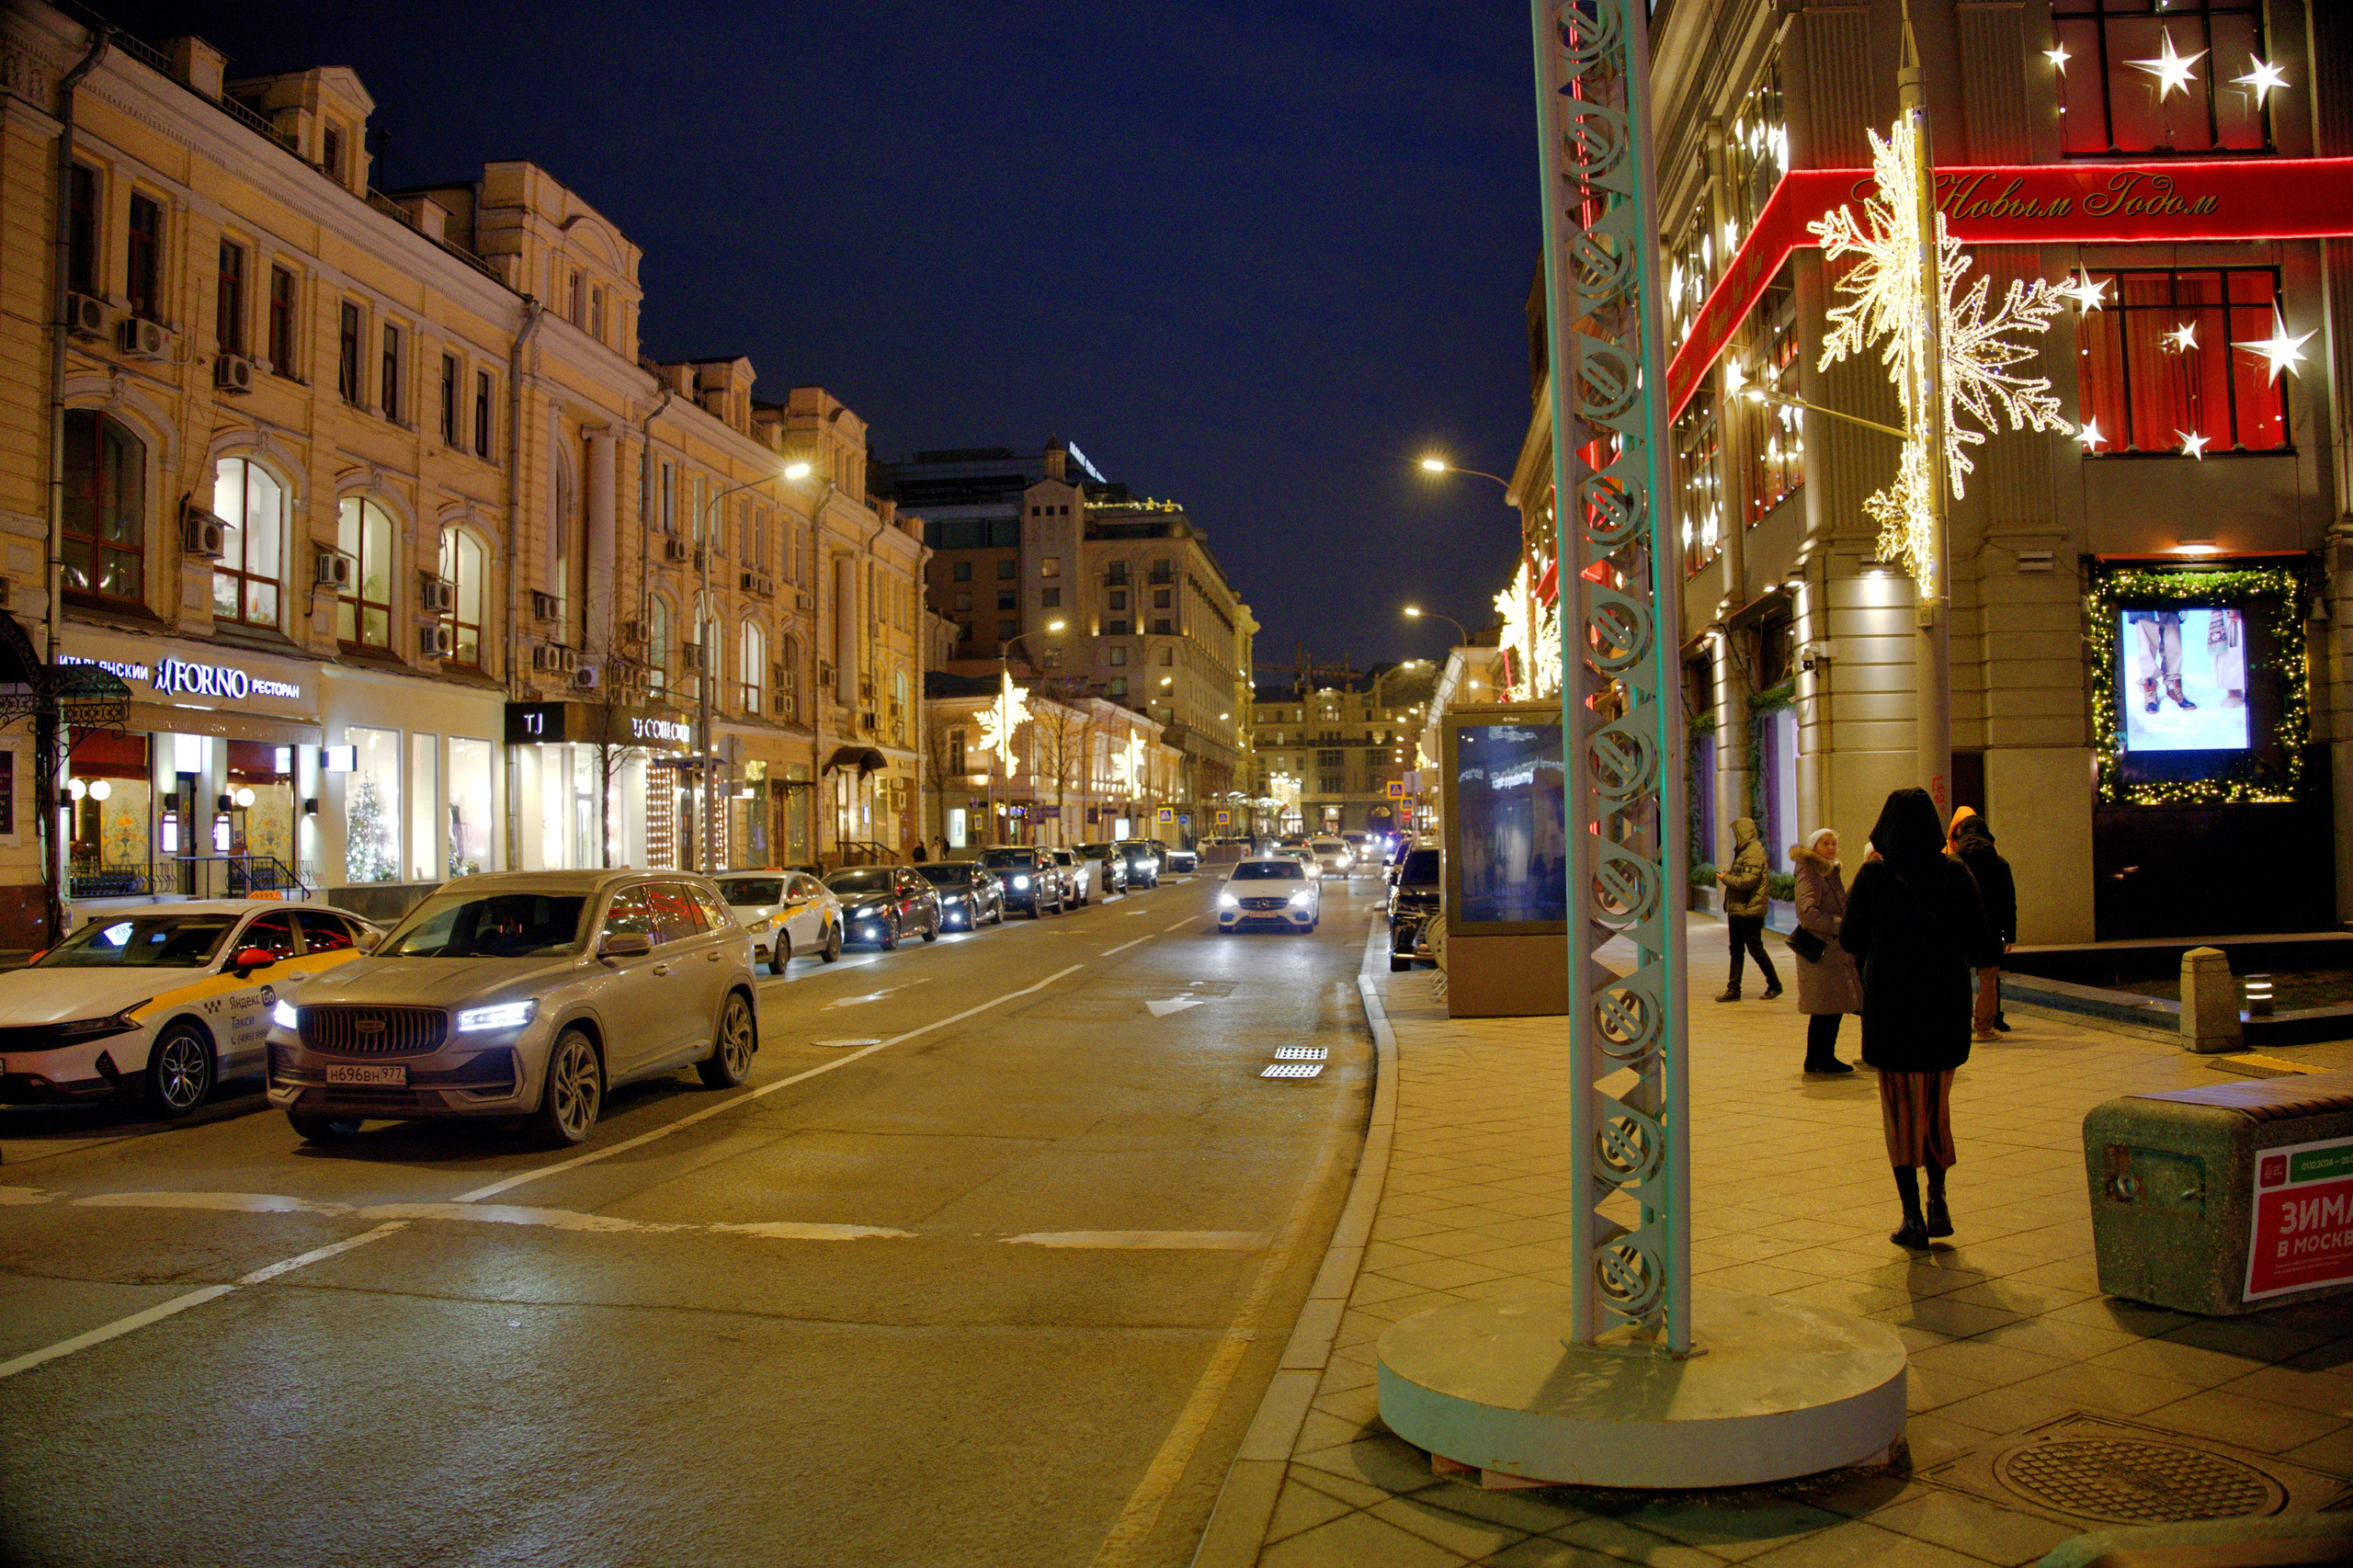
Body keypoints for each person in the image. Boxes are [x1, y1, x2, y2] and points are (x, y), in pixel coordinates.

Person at [1842, 788, 1997, 1248]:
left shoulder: (1873, 876)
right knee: (1935, 1107)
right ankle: (1938, 1198)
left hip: (1892, 1006)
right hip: (1943, 1005)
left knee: (1899, 1111)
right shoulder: (1954, 870)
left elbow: (1850, 938)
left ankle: (1911, 1216)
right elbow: (1980, 938)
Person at [1790, 828, 1860, 1074]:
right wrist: (1842, 926)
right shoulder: (1811, 871)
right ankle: (1820, 1058)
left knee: (1831, 1007)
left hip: (1834, 950)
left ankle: (1820, 1057)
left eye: (1833, 843)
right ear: (1814, 846)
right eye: (1824, 843)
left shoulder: (1830, 870)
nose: (1830, 847)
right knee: (1825, 1008)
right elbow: (1807, 911)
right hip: (1823, 950)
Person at [1947, 807, 2017, 1039]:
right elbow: (2009, 902)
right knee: (1988, 980)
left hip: (1960, 931)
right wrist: (2011, 934)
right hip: (1991, 931)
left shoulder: (1954, 862)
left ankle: (1958, 1025)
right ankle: (1985, 1028)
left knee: (1959, 979)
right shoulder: (1999, 863)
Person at [1715, 816, 1781, 1002]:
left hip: (1749, 909)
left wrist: (1725, 879)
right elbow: (1745, 875)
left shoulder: (1753, 850)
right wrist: (1731, 874)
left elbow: (1748, 881)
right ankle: (1733, 988)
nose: (1735, 837)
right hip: (1739, 908)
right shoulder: (1746, 851)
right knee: (1736, 949)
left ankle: (1775, 984)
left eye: (1737, 833)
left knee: (1755, 948)